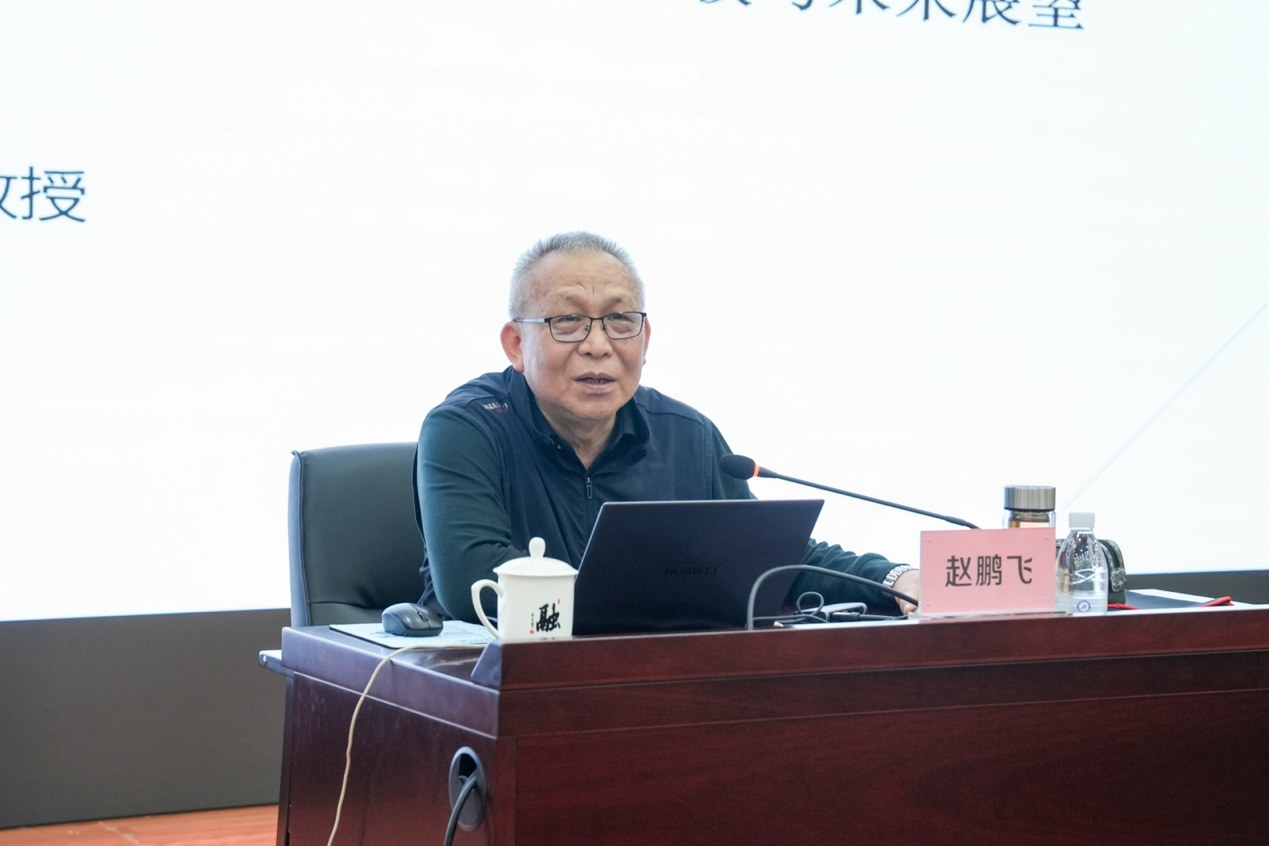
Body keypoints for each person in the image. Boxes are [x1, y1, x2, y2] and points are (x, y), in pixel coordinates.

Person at [413, 231, 919, 624]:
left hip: (649, 684)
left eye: (619, 321)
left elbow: (772, 558)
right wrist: (663, 597)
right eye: (568, 321)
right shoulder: (467, 429)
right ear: (516, 344)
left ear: (645, 338)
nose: (598, 345)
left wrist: (896, 579)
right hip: (486, 688)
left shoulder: (686, 436)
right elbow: (472, 581)